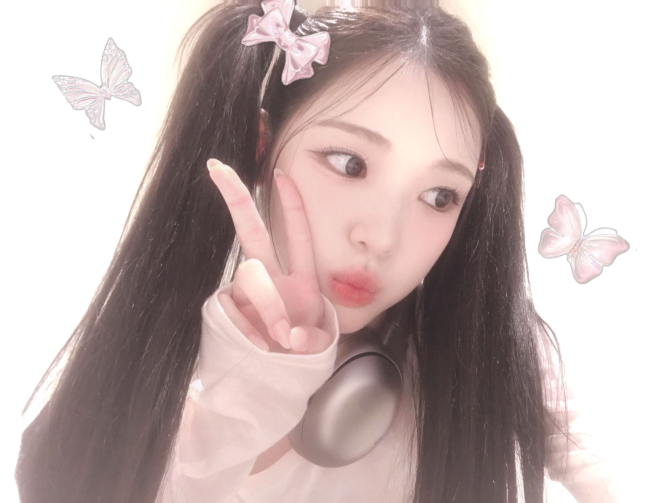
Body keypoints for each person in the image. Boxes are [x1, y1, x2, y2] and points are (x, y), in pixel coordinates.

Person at [14, 1, 622, 502]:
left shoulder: (493, 347)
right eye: (349, 163)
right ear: (263, 146)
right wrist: (255, 391)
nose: (381, 237)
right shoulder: (173, 356)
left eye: (439, 195)